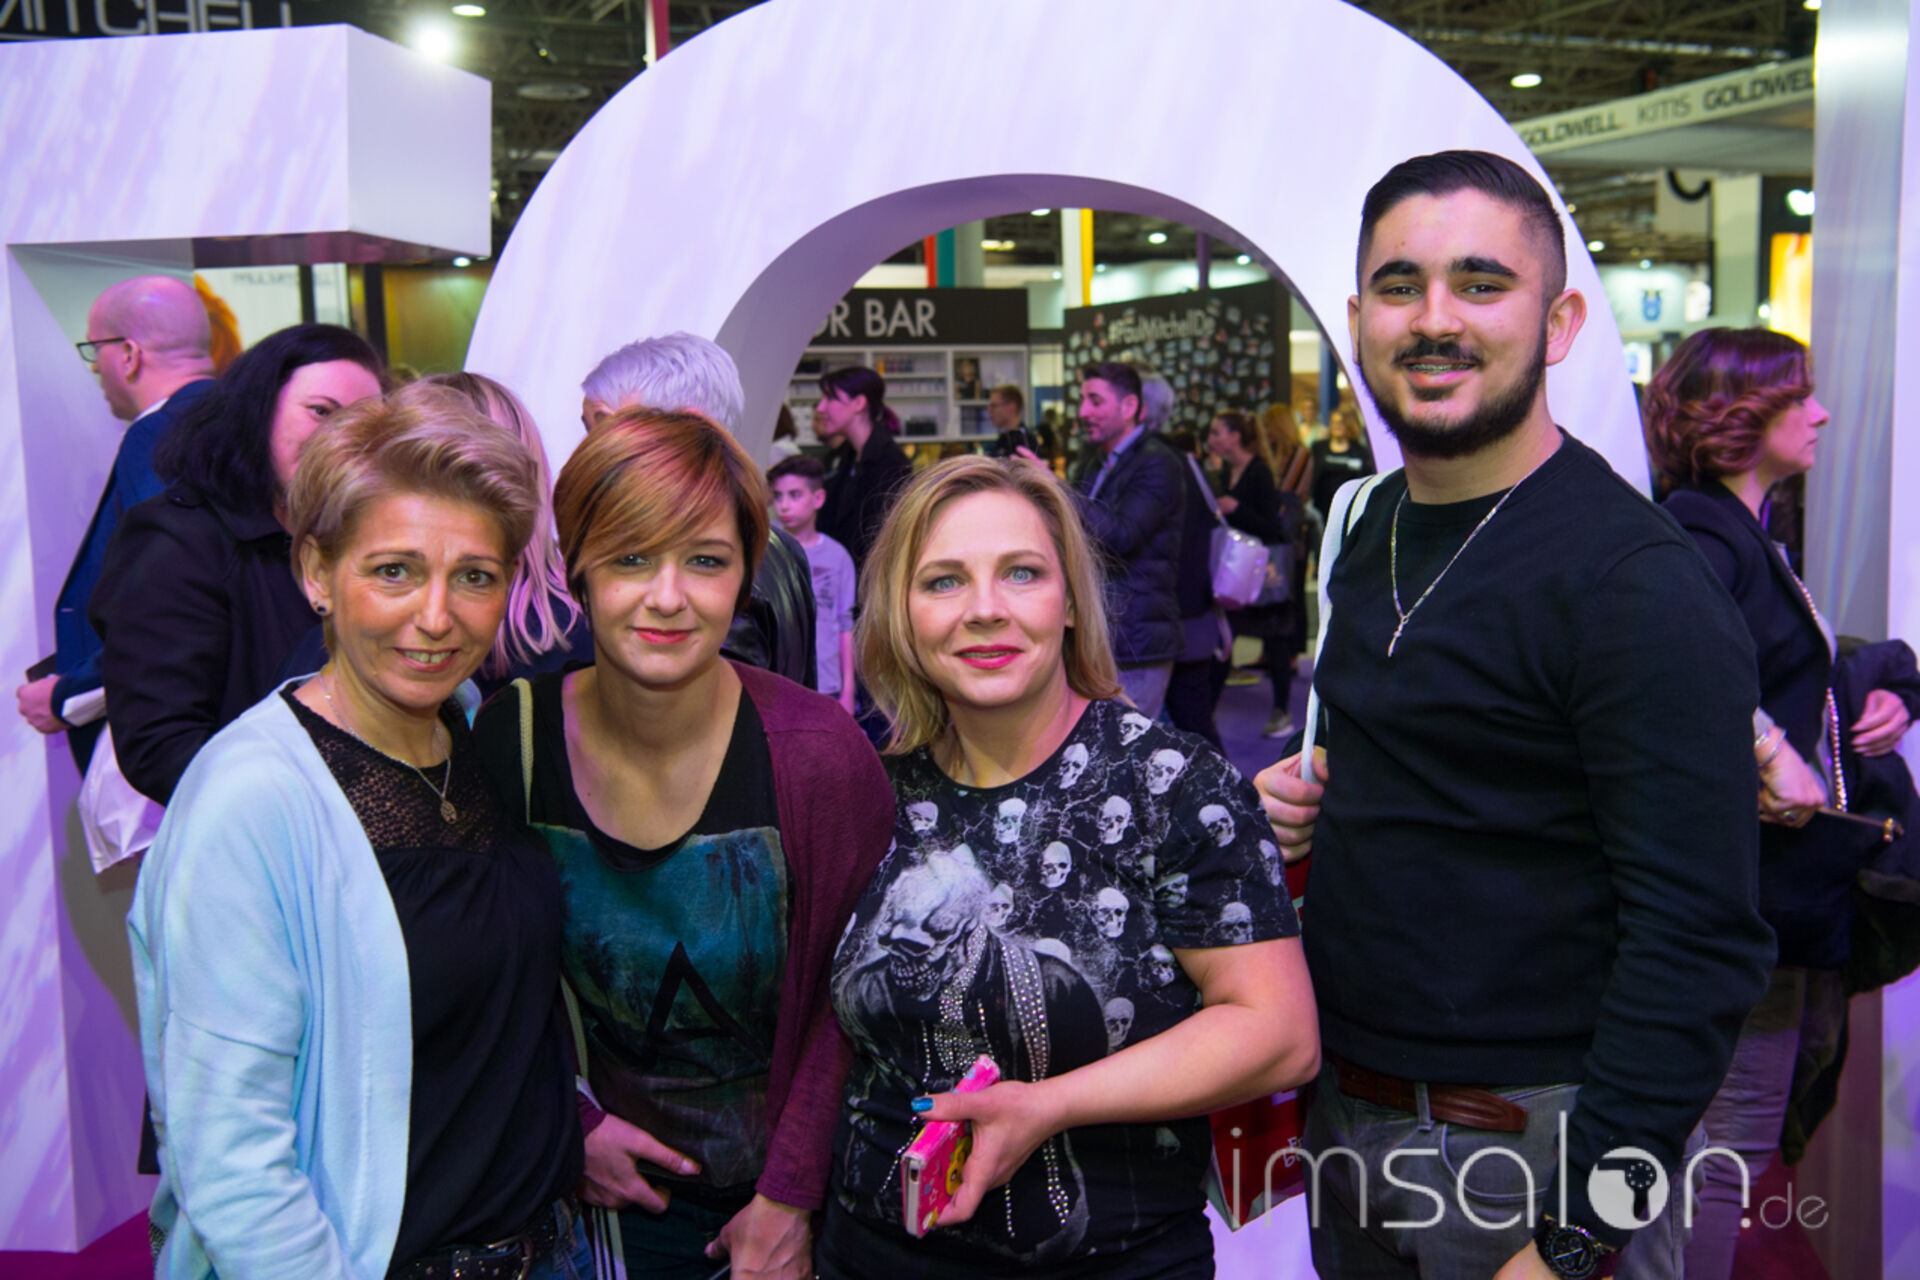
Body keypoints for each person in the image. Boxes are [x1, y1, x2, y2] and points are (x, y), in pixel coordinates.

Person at [1254, 150, 1775, 1280]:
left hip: (1542, 1151)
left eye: (1482, 284)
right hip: (1349, 1124)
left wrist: (1579, 1236)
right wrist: (1298, 801)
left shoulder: (1634, 580)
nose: (1435, 319)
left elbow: (1698, 947)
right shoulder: (1366, 524)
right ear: (1358, 316)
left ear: (1561, 321)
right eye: (1400, 285)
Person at [130, 388, 592, 1279]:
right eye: (394, 571)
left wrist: (574, 1123)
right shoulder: (251, 800)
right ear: (316, 572)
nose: (437, 615)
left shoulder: (472, 734)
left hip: (550, 1250)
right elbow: (231, 1158)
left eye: (474, 576)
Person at [819, 456, 1318, 1277]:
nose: (986, 609)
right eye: (944, 581)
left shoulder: (1170, 784)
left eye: (1022, 573)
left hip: (1111, 1256)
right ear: (901, 615)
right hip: (871, 1252)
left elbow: (1279, 1034)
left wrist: (1047, 1107)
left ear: (1073, 603)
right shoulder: (869, 790)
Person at [471, 408, 893, 1280]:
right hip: (598, 1210)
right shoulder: (514, 738)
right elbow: (487, 980)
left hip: (798, 1208)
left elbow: (853, 1004)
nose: (668, 597)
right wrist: (572, 1125)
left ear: (745, 575)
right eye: (631, 558)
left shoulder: (817, 754)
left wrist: (791, 1198)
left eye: (705, 560)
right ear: (578, 569)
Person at [1644, 327, 1912, 1279]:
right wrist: (1766, 748)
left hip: (1771, 892)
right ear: (1740, 415)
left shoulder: (1743, 532)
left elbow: (1787, 668)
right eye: (1800, 397)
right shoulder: (1701, 530)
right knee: (1728, 1150)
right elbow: (1670, 665)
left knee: (1729, 1146)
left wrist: (1888, 690)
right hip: (1749, 896)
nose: (1822, 414)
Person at [91, 323, 384, 806]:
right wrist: (310, 810)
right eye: (320, 411)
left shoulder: (356, 536)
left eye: (361, 423)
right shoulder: (178, 537)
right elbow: (161, 746)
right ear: (259, 409)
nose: (340, 438)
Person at [16, 275, 214, 771]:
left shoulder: (157, 437)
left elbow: (163, 602)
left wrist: (69, 695)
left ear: (128, 354)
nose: (94, 368)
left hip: (164, 723)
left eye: (94, 349)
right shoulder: (235, 419)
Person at [582, 330, 818, 689]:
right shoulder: (778, 546)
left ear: (691, 427)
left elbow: (710, 706)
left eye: (604, 426)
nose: (588, 451)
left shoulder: (713, 566)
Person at [1053, 361, 1185, 718]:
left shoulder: (1158, 463)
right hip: (1099, 633)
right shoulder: (1095, 461)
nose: (1083, 412)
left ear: (1129, 406)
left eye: (1095, 401)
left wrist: (1056, 489)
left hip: (1136, 638)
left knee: (1130, 742)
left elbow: (1121, 536)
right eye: (1083, 400)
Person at [1208, 408, 1297, 739]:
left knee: (1274, 639)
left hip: (1262, 573)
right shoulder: (1226, 471)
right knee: (1224, 636)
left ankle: (1282, 711)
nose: (1211, 439)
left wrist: (1237, 509)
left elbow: (1272, 527)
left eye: (1217, 432)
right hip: (1236, 573)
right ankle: (1206, 712)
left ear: (1235, 437)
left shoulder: (1258, 472)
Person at [768, 455, 858, 715]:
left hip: (826, 681)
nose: (784, 505)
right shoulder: (765, 548)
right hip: (774, 680)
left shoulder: (837, 557)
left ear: (818, 498)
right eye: (778, 496)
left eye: (794, 495)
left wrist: (849, 689)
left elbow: (845, 625)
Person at [814, 364, 913, 576]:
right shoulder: (845, 457)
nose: (821, 408)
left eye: (830, 398)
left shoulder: (890, 463)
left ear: (859, 403)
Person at [1310, 403, 1376, 520]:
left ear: (1347, 425)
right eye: (1334, 422)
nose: (1337, 426)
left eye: (1341, 422)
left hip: (1350, 507)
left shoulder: (1359, 451)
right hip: (1322, 507)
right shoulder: (1319, 448)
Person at [985, 383, 1030, 457]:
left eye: (994, 406)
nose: (989, 410)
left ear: (1012, 407)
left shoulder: (1025, 441)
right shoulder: (1003, 440)